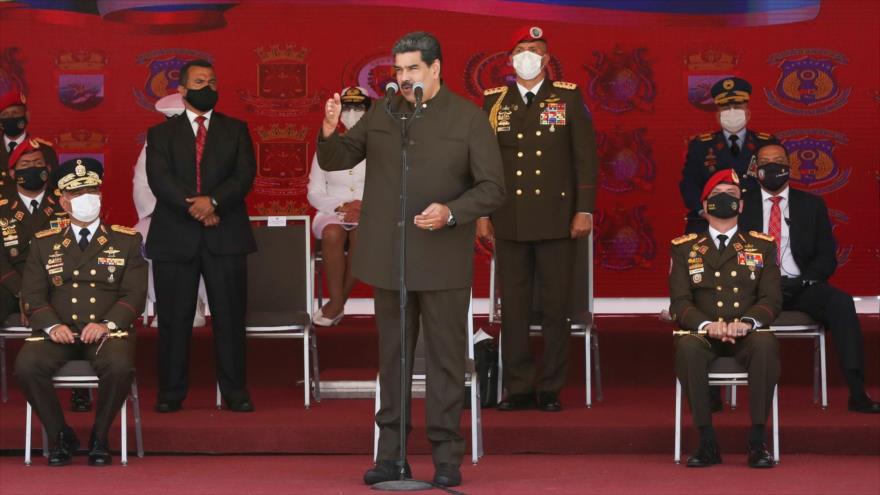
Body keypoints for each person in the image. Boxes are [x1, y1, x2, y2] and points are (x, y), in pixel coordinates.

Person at [317, 32, 505, 488]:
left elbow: (492, 188)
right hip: (390, 259)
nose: (403, 78)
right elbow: (337, 158)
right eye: (398, 70)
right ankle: (391, 456)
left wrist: (452, 212)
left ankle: (445, 458)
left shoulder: (467, 117)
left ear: (435, 68)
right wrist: (329, 129)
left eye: (412, 69)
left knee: (444, 362)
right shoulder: (384, 112)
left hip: (442, 260)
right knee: (393, 359)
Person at [479, 26, 598, 412]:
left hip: (557, 217)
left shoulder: (566, 96)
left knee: (555, 306)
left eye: (533, 50)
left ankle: (550, 387)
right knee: (512, 307)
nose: (525, 56)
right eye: (519, 50)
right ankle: (519, 387)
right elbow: (482, 163)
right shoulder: (495, 101)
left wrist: (584, 209)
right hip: (509, 218)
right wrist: (482, 211)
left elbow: (584, 158)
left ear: (546, 60)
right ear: (510, 60)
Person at [14, 157, 148, 466]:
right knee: (27, 366)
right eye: (76, 193)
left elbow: (135, 294)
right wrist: (50, 325)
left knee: (119, 367)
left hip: (105, 332)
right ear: (62, 201)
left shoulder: (127, 240)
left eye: (91, 190)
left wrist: (107, 323)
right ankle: (61, 434)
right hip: (57, 332)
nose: (86, 198)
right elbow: (33, 294)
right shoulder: (43, 243)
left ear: (101, 195)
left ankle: (100, 437)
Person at [146, 59, 257, 413]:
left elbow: (244, 176)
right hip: (175, 235)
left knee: (229, 317)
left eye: (211, 80)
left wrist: (213, 203)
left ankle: (235, 392)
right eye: (198, 81)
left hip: (225, 233)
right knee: (174, 319)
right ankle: (171, 393)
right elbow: (159, 178)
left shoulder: (235, 129)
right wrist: (194, 206)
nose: (206, 86)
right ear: (182, 90)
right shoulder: (160, 133)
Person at [739, 143, 880, 413]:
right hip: (756, 289)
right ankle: (710, 393)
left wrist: (806, 280)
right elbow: (731, 250)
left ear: (789, 167)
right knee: (717, 300)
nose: (772, 167)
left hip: (801, 287)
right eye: (765, 162)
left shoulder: (811, 204)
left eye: (778, 161)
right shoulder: (743, 205)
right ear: (756, 170)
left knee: (840, 302)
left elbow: (827, 256)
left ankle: (857, 392)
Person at [669, 169, 782, 468]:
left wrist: (747, 322)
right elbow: (680, 303)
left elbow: (771, 299)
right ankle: (706, 442)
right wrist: (708, 326)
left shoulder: (762, 245)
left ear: (742, 206)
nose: (725, 202)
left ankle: (758, 442)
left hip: (747, 332)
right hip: (705, 335)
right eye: (717, 197)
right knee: (688, 347)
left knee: (765, 344)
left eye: (732, 196)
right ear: (704, 206)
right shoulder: (684, 248)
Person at [133, 92, 208, 329]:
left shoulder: (212, 142)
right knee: (144, 238)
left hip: (201, 214)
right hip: (160, 213)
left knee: (200, 237)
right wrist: (165, 212)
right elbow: (141, 184)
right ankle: (164, 305)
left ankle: (195, 303)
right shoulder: (153, 144)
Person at [679, 77, 778, 233]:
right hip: (710, 220)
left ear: (748, 112)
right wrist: (703, 212)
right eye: (725, 107)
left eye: (738, 106)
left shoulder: (767, 144)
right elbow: (689, 184)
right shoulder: (701, 145)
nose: (732, 111)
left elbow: (777, 183)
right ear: (717, 114)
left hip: (756, 220)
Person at [307, 86, 369, 326]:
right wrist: (343, 204)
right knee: (332, 233)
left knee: (362, 234)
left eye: (359, 107)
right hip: (331, 211)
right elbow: (314, 192)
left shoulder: (380, 146)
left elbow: (390, 185)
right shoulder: (328, 144)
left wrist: (364, 205)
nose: (353, 113)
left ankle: (336, 304)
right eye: (348, 107)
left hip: (369, 211)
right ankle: (337, 300)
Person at [0, 89, 30, 193]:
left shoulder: (45, 151)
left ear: (27, 116)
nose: (10, 118)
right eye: (5, 115)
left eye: (15, 113)